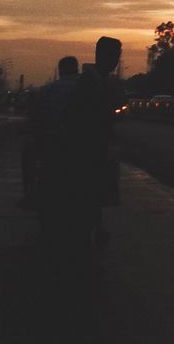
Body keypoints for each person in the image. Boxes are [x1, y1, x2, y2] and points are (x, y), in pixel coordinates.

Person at [65, 36, 124, 244]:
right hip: (88, 151)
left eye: (117, 56)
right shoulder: (91, 83)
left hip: (94, 149)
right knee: (89, 197)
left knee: (93, 198)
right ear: (101, 56)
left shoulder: (100, 81)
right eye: (113, 55)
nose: (116, 60)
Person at [18, 55, 79, 211]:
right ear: (76, 69)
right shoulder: (87, 89)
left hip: (51, 142)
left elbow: (36, 117)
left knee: (27, 154)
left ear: (60, 71)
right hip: (82, 143)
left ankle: (29, 194)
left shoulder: (48, 90)